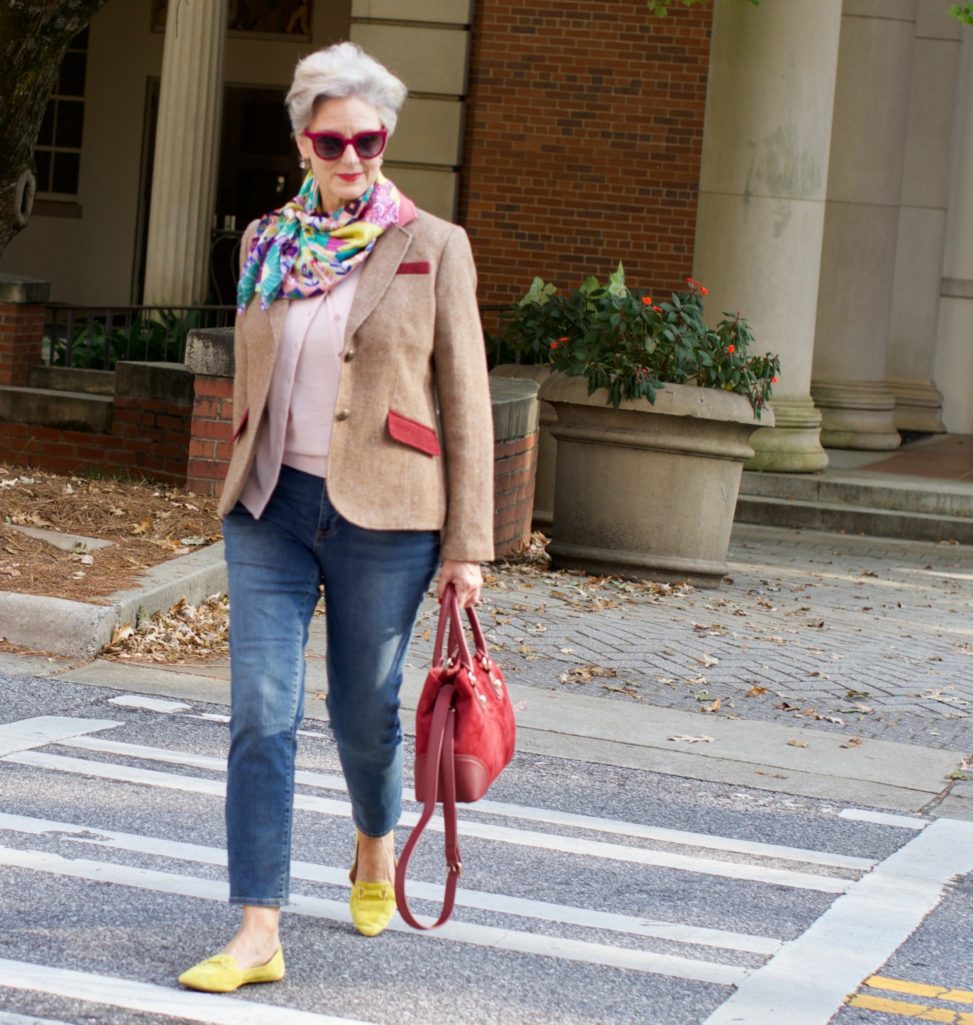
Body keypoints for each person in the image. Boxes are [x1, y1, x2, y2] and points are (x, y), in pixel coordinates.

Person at [178, 41, 494, 993]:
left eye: (369, 139)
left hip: (387, 514)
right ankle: (258, 929)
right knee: (260, 713)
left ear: (386, 139)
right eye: (332, 140)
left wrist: (466, 548)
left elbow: (466, 396)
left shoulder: (432, 245)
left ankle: (369, 840)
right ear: (303, 142)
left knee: (364, 712)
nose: (352, 157)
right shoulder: (266, 241)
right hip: (270, 504)